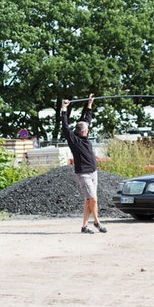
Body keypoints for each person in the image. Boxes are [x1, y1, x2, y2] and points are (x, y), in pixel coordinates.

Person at [61, 94, 107, 234]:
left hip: (93, 172)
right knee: (92, 198)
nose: (88, 129)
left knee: (89, 200)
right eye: (87, 129)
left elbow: (88, 118)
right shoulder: (74, 140)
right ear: (83, 131)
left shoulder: (85, 135)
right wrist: (63, 108)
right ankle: (97, 222)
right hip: (84, 174)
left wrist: (89, 103)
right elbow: (65, 126)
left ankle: (84, 226)